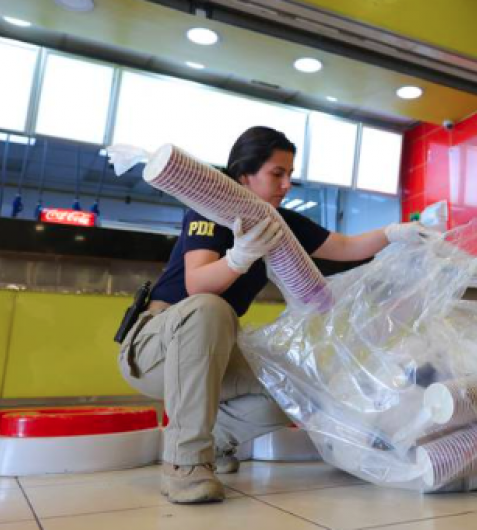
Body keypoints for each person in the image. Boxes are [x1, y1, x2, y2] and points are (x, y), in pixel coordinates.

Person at [117, 126, 425, 504]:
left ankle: (215, 442)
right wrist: (239, 258)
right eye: (277, 173)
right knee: (210, 307)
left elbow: (345, 246)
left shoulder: (280, 224)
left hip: (214, 350)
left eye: (290, 174)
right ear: (245, 174)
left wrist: (394, 233)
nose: (287, 184)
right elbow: (198, 283)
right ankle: (185, 462)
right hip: (155, 348)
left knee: (296, 387)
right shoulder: (208, 208)